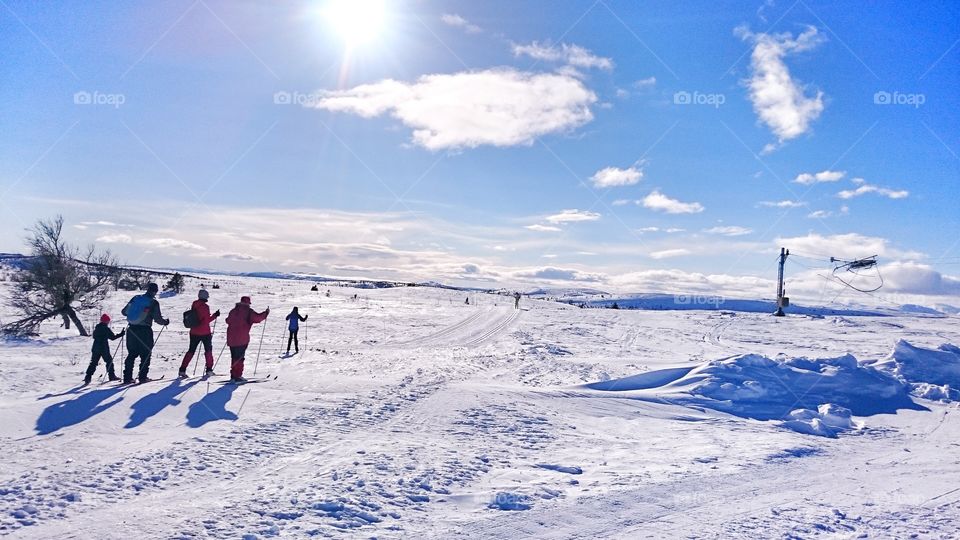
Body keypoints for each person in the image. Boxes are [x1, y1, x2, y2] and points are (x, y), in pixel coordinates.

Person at [121, 282, 170, 384]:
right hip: (145, 331)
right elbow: (158, 319)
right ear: (155, 291)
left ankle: (127, 377)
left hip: (131, 330)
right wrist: (165, 322)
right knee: (146, 354)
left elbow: (124, 312)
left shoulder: (136, 298)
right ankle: (142, 377)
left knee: (132, 354)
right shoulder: (153, 303)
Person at [225, 296, 269, 383]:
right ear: (248, 303)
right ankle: (238, 376)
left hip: (231, 338)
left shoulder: (233, 311)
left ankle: (233, 375)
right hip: (242, 339)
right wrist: (266, 313)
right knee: (240, 358)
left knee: (234, 357)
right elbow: (258, 318)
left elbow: (227, 320)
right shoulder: (248, 312)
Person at [178, 289, 220, 378]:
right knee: (208, 351)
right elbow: (206, 321)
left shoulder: (194, 304)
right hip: (205, 332)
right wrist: (215, 316)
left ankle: (182, 369)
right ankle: (209, 370)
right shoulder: (205, 307)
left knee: (191, 351)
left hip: (193, 331)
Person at [84, 314, 125, 384]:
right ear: (106, 321)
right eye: (108, 321)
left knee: (93, 362)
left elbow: (94, 337)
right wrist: (121, 334)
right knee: (109, 361)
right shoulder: (106, 329)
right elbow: (112, 337)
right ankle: (111, 376)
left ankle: (88, 377)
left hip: (95, 347)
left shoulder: (97, 328)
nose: (108, 322)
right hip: (103, 348)